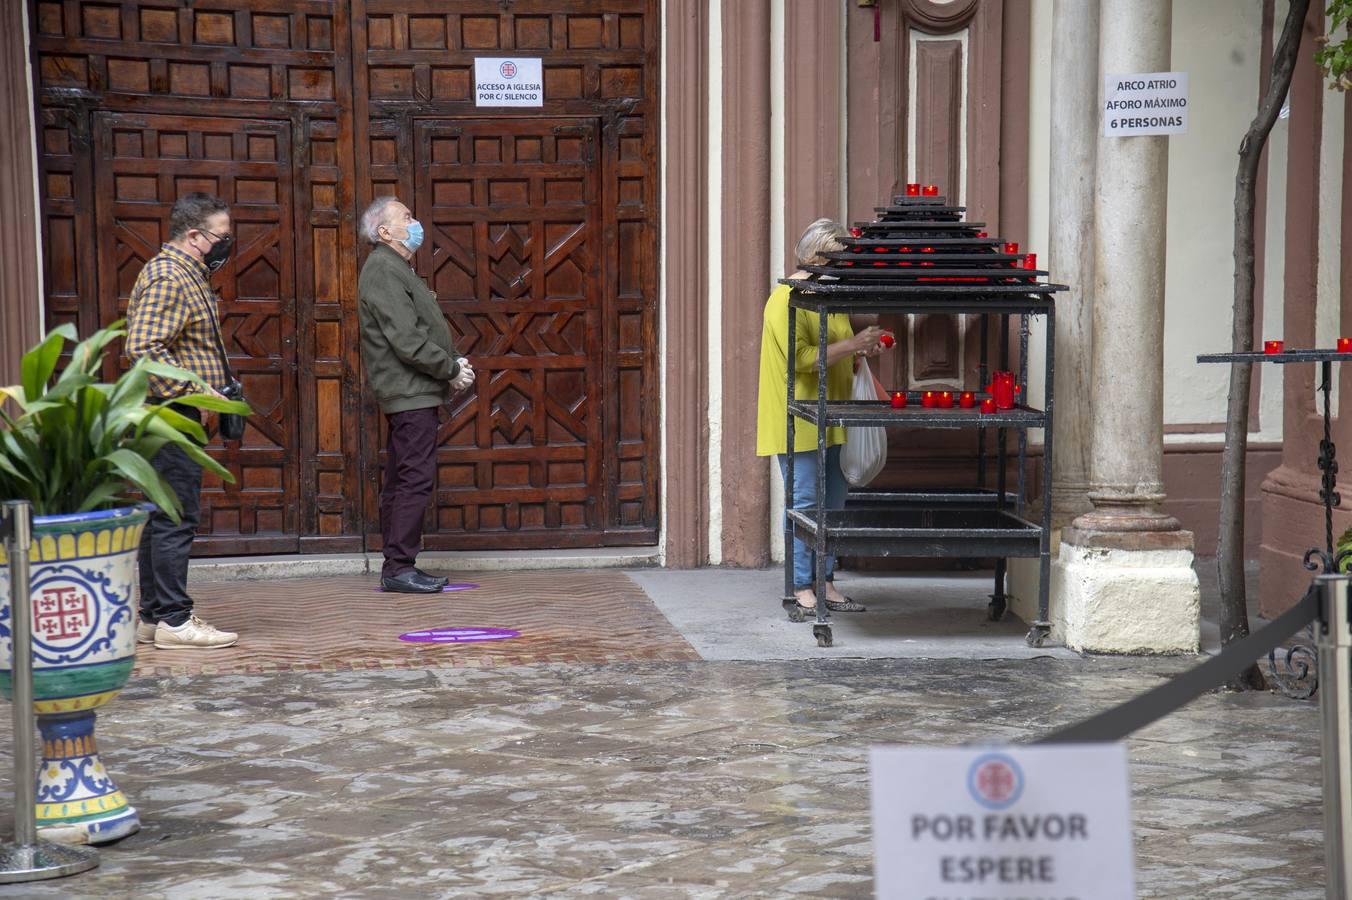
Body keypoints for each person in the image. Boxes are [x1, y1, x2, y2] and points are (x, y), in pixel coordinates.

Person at [756, 218, 887, 616]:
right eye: (837, 258)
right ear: (815, 256)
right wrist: (851, 343)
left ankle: (825, 581)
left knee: (834, 504)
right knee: (806, 504)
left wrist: (861, 350)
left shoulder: (826, 294)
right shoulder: (787, 298)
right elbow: (799, 360)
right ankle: (800, 587)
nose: (843, 266)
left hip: (831, 417)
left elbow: (834, 351)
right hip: (797, 419)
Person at [126, 192, 239, 650]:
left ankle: (154, 617)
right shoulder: (170, 275)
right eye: (222, 236)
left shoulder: (187, 273)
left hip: (174, 414)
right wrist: (195, 389)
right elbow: (144, 350)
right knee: (175, 517)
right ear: (195, 236)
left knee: (162, 516)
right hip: (169, 414)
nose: (227, 245)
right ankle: (175, 620)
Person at [357, 196, 476, 594]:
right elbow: (407, 340)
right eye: (406, 217)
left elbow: (424, 328)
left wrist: (453, 362)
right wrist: (450, 369)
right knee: (413, 479)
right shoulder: (384, 269)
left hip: (417, 390)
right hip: (411, 392)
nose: (415, 221)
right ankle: (399, 567)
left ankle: (399, 564)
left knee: (404, 477)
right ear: (385, 231)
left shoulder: (396, 267)